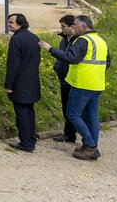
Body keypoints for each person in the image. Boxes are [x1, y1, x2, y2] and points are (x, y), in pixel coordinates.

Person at [40, 14, 108, 161]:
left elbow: (71, 58)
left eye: (75, 24)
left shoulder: (83, 40)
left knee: (72, 114)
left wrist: (50, 48)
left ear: (83, 26)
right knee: (91, 117)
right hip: (97, 84)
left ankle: (90, 145)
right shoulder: (100, 40)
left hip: (82, 84)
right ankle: (92, 146)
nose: (73, 26)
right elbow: (106, 63)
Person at [4, 13, 41, 153]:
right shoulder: (34, 37)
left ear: (20, 23)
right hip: (32, 80)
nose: (9, 24)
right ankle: (31, 139)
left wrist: (8, 84)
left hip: (20, 83)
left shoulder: (16, 40)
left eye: (11, 22)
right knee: (29, 112)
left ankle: (26, 143)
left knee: (22, 114)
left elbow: (13, 65)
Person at [50, 15, 78, 144]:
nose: (61, 28)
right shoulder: (64, 39)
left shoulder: (79, 41)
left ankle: (82, 138)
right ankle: (69, 134)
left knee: (74, 110)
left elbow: (69, 57)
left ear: (72, 26)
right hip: (64, 79)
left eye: (63, 26)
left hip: (74, 80)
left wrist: (50, 49)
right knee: (66, 108)